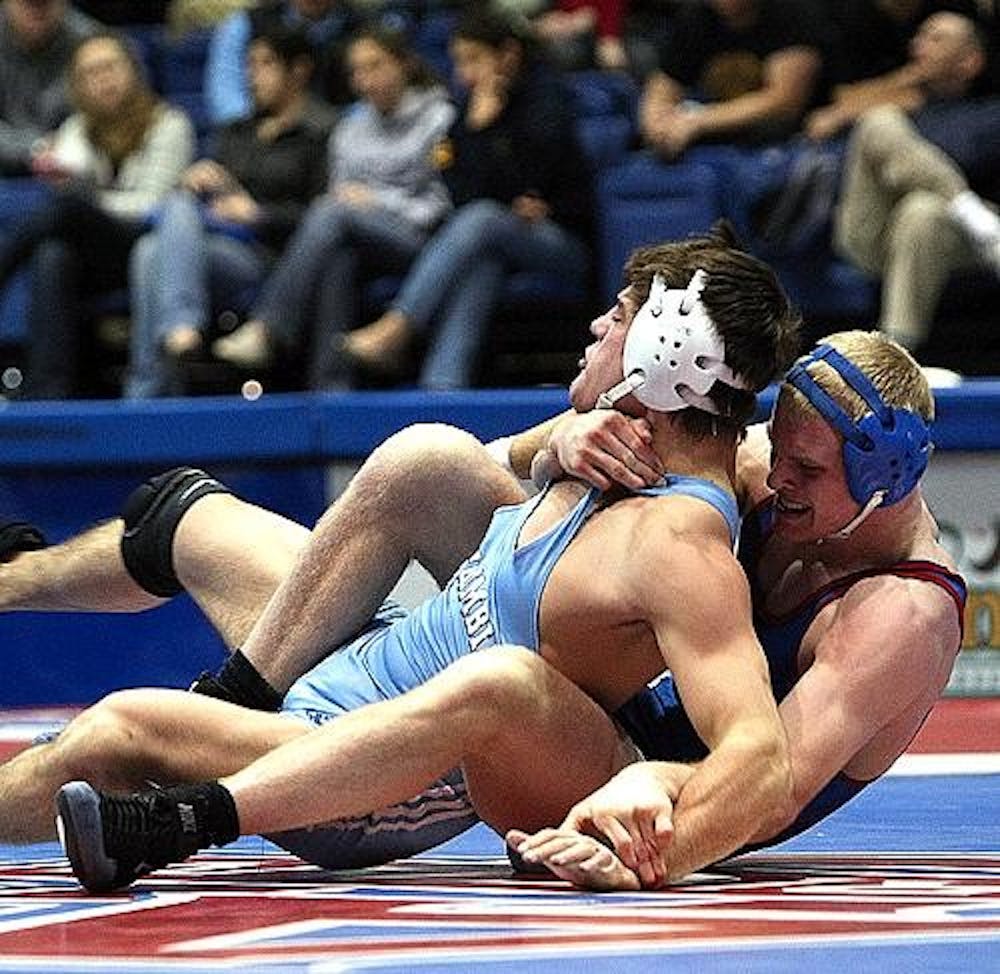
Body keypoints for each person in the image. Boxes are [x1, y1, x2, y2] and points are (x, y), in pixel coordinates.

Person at [4, 231, 802, 893]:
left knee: (115, 728)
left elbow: (759, 761)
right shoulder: (611, 447)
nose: (596, 326)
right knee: (199, 514)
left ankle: (199, 778)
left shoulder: (678, 545)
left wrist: (657, 854)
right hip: (369, 662)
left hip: (376, 771)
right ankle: (30, 588)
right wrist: (553, 443)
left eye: (620, 316)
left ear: (668, 355)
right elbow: (477, 466)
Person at [340, 5, 594, 390]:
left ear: (507, 54)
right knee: (483, 257)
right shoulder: (470, 111)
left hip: (560, 242)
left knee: (485, 220)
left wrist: (488, 137)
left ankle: (399, 325)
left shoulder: (547, 98)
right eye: (458, 61)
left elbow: (541, 179)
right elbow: (458, 191)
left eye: (473, 59)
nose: (463, 73)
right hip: (497, 238)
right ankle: (441, 388)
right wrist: (478, 128)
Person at [210, 23, 454, 390]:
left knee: (330, 214)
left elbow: (443, 203)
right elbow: (341, 193)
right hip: (358, 237)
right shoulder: (350, 129)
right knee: (337, 252)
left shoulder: (440, 120)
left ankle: (268, 326)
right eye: (357, 70)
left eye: (375, 66)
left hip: (423, 242)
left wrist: (377, 205)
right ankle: (332, 387)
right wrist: (355, 210)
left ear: (404, 64)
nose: (365, 80)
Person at [124, 22, 333, 399]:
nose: (253, 75)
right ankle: (179, 335)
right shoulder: (237, 131)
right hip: (213, 244)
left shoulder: (322, 131)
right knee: (167, 221)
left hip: (272, 259)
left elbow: (323, 215)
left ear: (299, 70)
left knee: (151, 252)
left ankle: (148, 388)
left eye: (265, 64)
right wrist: (203, 182)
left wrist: (257, 213)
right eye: (249, 64)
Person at [0, 31, 195, 398]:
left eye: (110, 67)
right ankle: (49, 396)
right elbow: (71, 174)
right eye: (90, 72)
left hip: (150, 249)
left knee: (66, 211)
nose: (103, 79)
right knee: (51, 254)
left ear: (134, 72)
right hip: (96, 258)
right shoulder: (76, 128)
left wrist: (89, 203)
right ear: (77, 85)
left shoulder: (170, 124)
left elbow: (151, 203)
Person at [638, 0, 829, 159]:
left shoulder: (793, 14)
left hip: (787, 140)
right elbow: (663, 85)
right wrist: (656, 122)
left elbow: (783, 101)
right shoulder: (696, 17)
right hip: (712, 138)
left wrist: (697, 121)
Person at [204, 0, 359, 125]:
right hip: (260, 136)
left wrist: (333, 129)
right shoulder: (246, 24)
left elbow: (370, 106)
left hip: (339, 138)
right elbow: (226, 99)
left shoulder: (363, 28)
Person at [0, 0, 98, 177]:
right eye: (28, 5)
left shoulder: (93, 42)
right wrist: (36, 147)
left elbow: (108, 119)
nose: (36, 12)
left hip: (76, 170)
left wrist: (67, 147)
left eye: (44, 5)